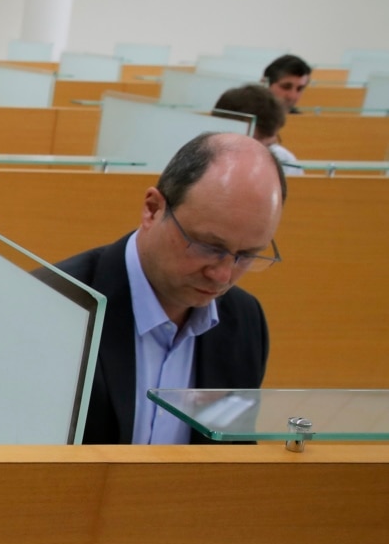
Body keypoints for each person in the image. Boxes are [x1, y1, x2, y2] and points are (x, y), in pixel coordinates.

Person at [56, 132, 285, 445]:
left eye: (246, 256)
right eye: (207, 245)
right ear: (153, 209)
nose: (222, 275)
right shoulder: (54, 305)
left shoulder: (246, 322)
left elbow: (230, 462)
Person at [214, 83, 302, 174]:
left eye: (268, 146)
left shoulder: (285, 161)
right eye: (251, 145)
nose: (259, 156)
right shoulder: (203, 162)